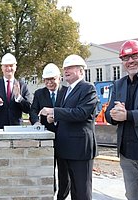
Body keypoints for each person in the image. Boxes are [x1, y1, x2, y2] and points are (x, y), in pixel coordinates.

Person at [41, 54, 98, 200]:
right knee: (71, 189)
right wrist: (53, 118)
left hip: (80, 149)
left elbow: (81, 113)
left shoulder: (88, 88)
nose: (66, 70)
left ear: (81, 71)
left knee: (82, 191)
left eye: (71, 68)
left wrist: (54, 111)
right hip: (65, 147)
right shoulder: (66, 90)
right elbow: (65, 114)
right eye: (65, 68)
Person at [105, 40, 138, 200]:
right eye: (126, 58)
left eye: (134, 56)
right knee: (132, 196)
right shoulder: (119, 84)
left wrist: (128, 115)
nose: (130, 61)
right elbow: (108, 115)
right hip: (127, 155)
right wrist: (113, 114)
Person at [0, 53, 32, 200]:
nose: (9, 68)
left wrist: (19, 98)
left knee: (16, 161)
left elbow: (28, 108)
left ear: (15, 67)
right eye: (6, 66)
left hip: (16, 129)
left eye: (11, 65)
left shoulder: (22, 85)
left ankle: (13, 190)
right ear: (2, 68)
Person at [29, 63, 66, 132]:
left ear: (59, 79)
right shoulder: (39, 94)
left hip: (64, 131)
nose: (49, 82)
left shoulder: (67, 92)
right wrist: (36, 122)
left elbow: (69, 111)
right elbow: (33, 111)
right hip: (46, 132)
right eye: (46, 79)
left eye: (52, 79)